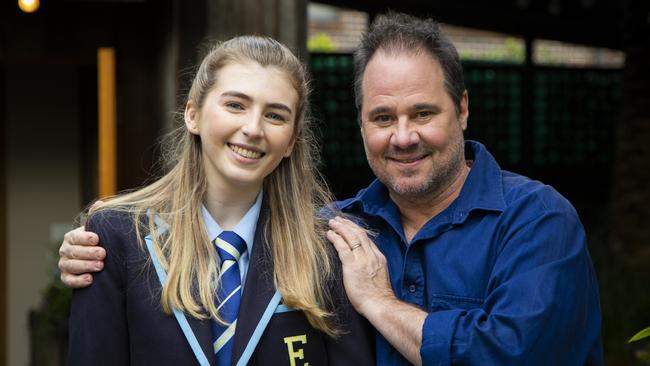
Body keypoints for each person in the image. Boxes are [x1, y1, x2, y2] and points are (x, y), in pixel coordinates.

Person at [60, 13, 603, 366]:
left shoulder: (537, 220)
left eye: (423, 113)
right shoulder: (339, 233)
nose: (404, 136)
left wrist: (382, 304)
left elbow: (511, 356)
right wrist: (91, 244)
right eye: (382, 116)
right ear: (193, 112)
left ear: (462, 109)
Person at [66, 35, 374, 366]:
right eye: (235, 105)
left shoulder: (328, 251)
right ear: (193, 115)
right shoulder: (116, 238)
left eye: (275, 115)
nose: (253, 128)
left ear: (290, 141)